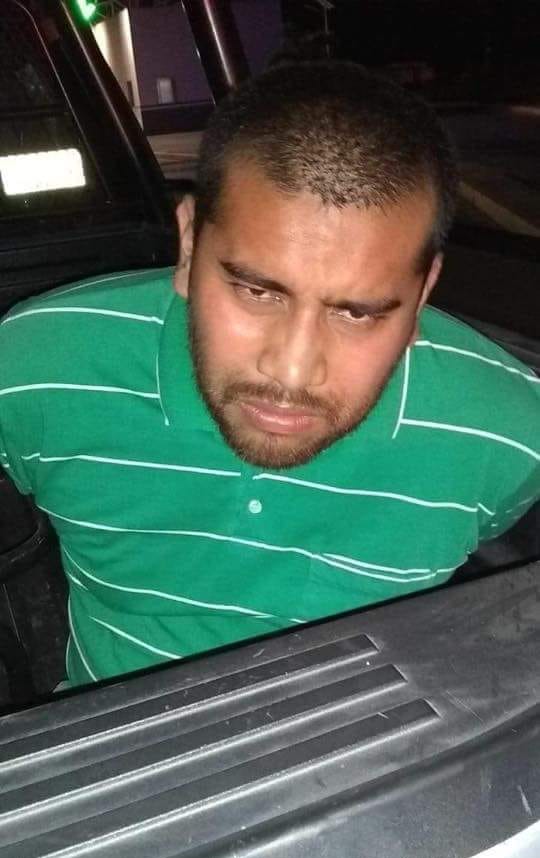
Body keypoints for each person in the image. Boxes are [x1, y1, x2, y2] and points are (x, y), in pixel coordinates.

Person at [0, 61, 538, 688]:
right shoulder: (33, 368)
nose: (292, 368)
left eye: (357, 312)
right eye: (257, 291)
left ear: (423, 294)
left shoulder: (509, 432)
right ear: (189, 245)